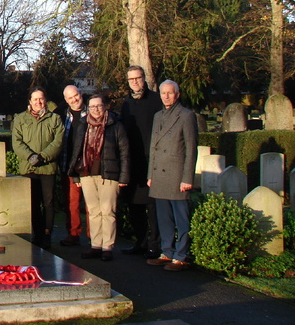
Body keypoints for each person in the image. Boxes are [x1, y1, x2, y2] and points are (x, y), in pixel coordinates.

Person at [68, 94, 129, 261]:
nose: (95, 110)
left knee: (108, 211)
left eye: (99, 106)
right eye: (92, 107)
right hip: (87, 174)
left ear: (105, 107)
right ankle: (95, 245)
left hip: (108, 174)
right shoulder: (83, 125)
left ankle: (107, 247)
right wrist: (75, 176)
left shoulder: (116, 126)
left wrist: (123, 177)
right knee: (93, 211)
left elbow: (124, 153)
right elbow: (77, 151)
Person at [147, 80, 198, 272]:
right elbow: (153, 147)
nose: (166, 96)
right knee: (164, 218)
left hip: (177, 175)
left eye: (170, 93)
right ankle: (167, 252)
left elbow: (191, 150)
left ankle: (181, 255)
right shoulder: (158, 116)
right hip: (159, 174)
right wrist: (151, 173)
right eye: (163, 93)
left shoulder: (186, 116)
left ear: (177, 94)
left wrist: (188, 178)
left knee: (181, 218)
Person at [119, 65, 164, 259]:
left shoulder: (156, 100)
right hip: (132, 162)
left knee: (152, 207)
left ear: (144, 78)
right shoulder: (126, 103)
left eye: (138, 78)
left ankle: (155, 245)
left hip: (151, 161)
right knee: (134, 205)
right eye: (131, 79)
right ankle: (140, 241)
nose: (135, 82)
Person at [11, 87, 65, 248]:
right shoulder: (20, 119)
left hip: (47, 167)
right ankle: (37, 233)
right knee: (33, 203)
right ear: (30, 101)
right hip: (29, 168)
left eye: (41, 99)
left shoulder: (55, 119)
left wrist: (43, 156)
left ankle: (47, 233)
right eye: (35, 99)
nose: (38, 102)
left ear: (45, 100)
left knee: (48, 202)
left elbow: (58, 141)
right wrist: (30, 156)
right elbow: (17, 142)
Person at [58, 85, 87, 246]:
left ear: (80, 94)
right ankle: (73, 233)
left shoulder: (92, 113)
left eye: (76, 95)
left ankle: (94, 238)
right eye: (70, 98)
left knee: (91, 205)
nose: (74, 99)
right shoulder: (63, 116)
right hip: (68, 166)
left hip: (89, 167)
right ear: (66, 100)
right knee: (71, 203)